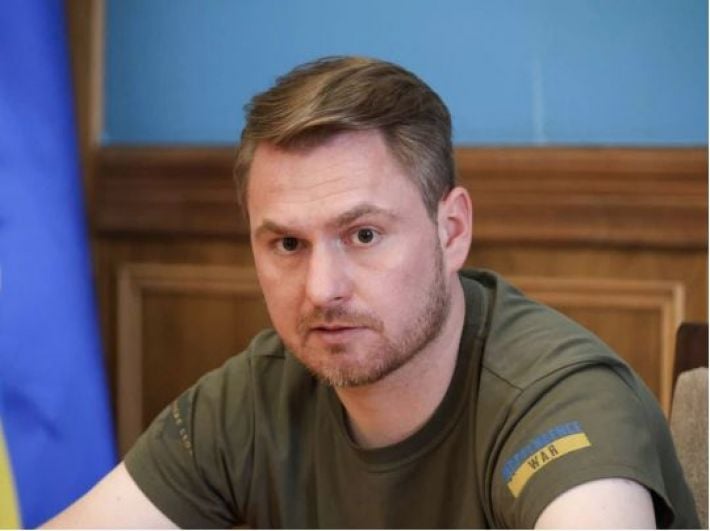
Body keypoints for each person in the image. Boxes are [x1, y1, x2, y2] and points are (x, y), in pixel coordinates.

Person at [44, 56, 699, 529]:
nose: (322, 290)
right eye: (287, 244)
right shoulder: (252, 398)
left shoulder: (557, 398)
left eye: (363, 235)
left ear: (451, 230)